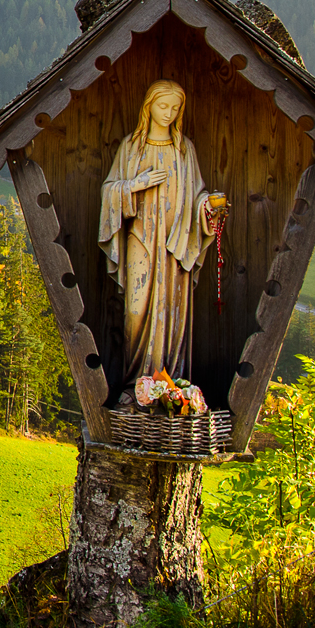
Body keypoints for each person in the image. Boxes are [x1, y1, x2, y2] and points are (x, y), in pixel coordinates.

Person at [98, 80, 226, 396]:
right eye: (163, 106)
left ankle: (170, 386)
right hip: (140, 239)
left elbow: (197, 195)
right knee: (136, 310)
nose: (168, 113)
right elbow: (109, 191)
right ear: (149, 106)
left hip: (176, 244)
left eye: (175, 108)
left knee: (171, 312)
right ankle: (135, 385)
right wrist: (134, 185)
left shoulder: (184, 149)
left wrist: (208, 207)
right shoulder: (131, 147)